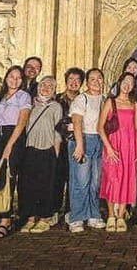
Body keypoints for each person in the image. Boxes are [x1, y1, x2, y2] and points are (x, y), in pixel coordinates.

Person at [0, 65, 31, 238]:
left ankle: (6, 221)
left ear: (22, 81)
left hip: (13, 137)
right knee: (0, 176)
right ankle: (2, 215)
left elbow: (22, 122)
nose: (14, 80)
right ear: (6, 78)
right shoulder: (1, 96)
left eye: (18, 77)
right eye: (12, 76)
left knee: (9, 177)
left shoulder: (23, 96)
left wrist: (9, 145)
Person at [19, 76, 63, 233]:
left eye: (50, 86)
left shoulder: (56, 107)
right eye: (44, 84)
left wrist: (56, 153)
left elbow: (58, 131)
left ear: (54, 90)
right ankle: (30, 218)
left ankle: (44, 218)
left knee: (46, 185)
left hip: (48, 149)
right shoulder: (29, 104)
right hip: (30, 148)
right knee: (28, 185)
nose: (46, 88)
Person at [98, 72, 137, 232]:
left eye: (131, 82)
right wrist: (108, 147)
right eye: (125, 81)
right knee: (112, 178)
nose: (127, 85)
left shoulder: (134, 104)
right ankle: (111, 215)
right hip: (113, 145)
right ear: (120, 82)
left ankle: (121, 216)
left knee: (127, 178)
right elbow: (100, 127)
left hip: (129, 146)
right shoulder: (111, 102)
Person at [67, 68, 107, 233]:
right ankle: (76, 217)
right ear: (87, 82)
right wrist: (79, 145)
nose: (96, 82)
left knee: (95, 181)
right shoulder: (81, 99)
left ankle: (93, 214)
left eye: (99, 78)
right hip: (83, 138)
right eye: (92, 79)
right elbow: (77, 122)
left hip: (99, 140)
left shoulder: (104, 99)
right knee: (81, 181)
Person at [54, 67, 84, 223]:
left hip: (78, 144)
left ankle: (70, 210)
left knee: (75, 179)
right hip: (59, 143)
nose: (74, 83)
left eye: (78, 80)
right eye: (71, 79)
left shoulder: (84, 99)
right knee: (57, 177)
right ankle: (54, 210)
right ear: (66, 81)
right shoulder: (57, 99)